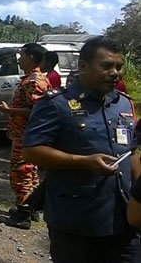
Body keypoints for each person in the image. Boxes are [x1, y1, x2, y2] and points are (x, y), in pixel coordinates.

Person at [24, 37, 140, 262]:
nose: (115, 72)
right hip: (76, 221)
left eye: (119, 66)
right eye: (106, 66)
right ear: (83, 66)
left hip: (122, 219)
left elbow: (132, 153)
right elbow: (32, 150)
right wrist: (82, 161)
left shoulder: (124, 104)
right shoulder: (56, 104)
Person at [0, 43, 50, 229]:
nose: (19, 59)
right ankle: (31, 208)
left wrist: (8, 110)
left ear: (31, 58)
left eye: (22, 56)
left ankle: (23, 214)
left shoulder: (34, 81)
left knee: (21, 173)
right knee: (30, 173)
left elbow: (35, 109)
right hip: (26, 134)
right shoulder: (34, 78)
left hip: (26, 135)